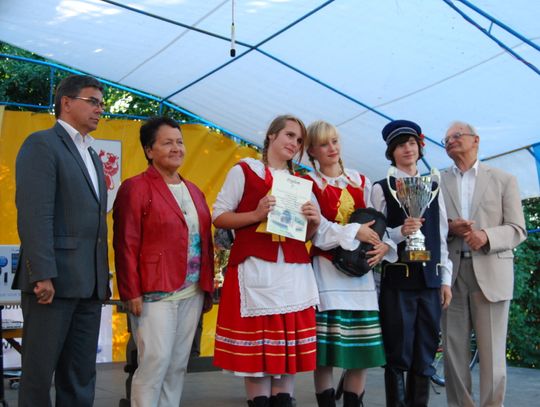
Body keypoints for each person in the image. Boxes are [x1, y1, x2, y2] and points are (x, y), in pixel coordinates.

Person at [13, 74, 110, 407]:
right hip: (52, 283)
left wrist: (102, 278)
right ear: (66, 102)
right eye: (92, 101)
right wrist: (42, 273)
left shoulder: (92, 154)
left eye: (101, 103)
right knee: (39, 376)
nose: (99, 109)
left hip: (89, 285)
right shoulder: (42, 144)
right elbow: (34, 214)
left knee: (80, 377)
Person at [212, 114, 320, 407]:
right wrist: (256, 215)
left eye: (299, 140)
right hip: (256, 270)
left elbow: (305, 236)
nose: (294, 143)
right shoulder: (245, 171)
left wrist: (313, 222)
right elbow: (219, 216)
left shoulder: (302, 182)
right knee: (258, 357)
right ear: (271, 135)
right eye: (289, 135)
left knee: (286, 358)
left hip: (293, 274)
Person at [113, 116, 214, 407]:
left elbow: (203, 241)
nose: (176, 148)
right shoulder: (135, 187)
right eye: (167, 143)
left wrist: (207, 286)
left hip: (192, 290)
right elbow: (125, 243)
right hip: (154, 291)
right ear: (149, 150)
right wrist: (130, 291)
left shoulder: (193, 190)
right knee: (154, 362)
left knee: (178, 364)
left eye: (179, 142)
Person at [304, 120, 393, 407]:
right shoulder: (308, 183)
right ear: (312, 151)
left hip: (361, 278)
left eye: (334, 141)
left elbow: (378, 223)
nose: (332, 148)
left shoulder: (361, 181)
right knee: (326, 355)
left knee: (361, 354)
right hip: (326, 275)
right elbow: (317, 232)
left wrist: (383, 246)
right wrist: (354, 231)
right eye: (323, 144)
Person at [440, 121, 526, 407]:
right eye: (446, 139)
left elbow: (517, 229)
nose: (450, 141)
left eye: (456, 136)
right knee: (453, 354)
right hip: (451, 275)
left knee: (492, 356)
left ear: (475, 140)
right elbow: (430, 227)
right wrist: (450, 227)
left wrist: (486, 236)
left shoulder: (504, 179)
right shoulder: (437, 182)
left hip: (491, 272)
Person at [371, 119, 452, 407]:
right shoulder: (381, 188)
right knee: (397, 354)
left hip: (430, 281)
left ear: (419, 146)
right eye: (400, 145)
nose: (408, 149)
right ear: (391, 152)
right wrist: (399, 232)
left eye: (411, 143)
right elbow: (375, 237)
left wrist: (445, 280)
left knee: (425, 354)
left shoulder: (435, 186)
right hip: (398, 282)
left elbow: (441, 237)